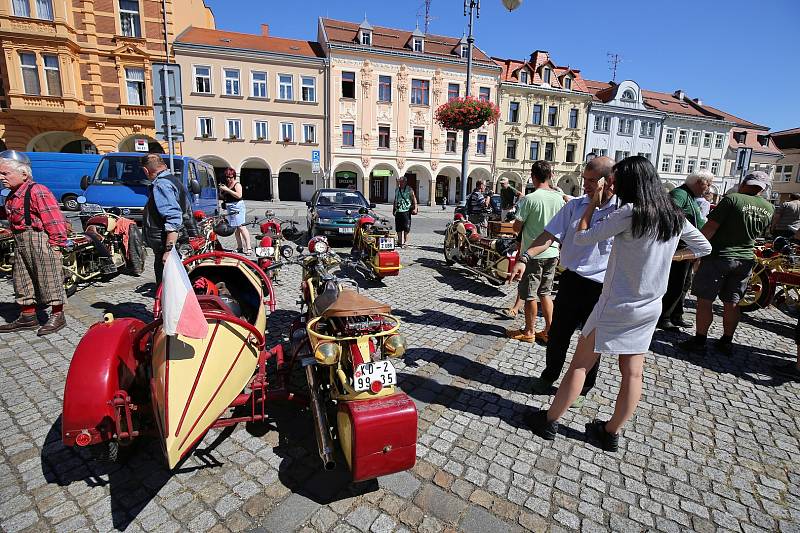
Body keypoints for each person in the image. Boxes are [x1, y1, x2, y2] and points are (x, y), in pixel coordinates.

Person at [525, 156, 711, 451]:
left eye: (616, 180)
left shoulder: (630, 213)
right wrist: (668, 257)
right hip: (650, 306)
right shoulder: (674, 215)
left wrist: (590, 204)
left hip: (616, 302)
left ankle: (549, 420)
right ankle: (611, 432)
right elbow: (704, 246)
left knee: (580, 366)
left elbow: (583, 236)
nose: (612, 184)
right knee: (633, 372)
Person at [508, 156, 615, 401]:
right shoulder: (575, 206)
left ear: (608, 181)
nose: (585, 185)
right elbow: (548, 235)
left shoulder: (622, 211)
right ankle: (549, 375)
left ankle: (584, 388)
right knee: (558, 335)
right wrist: (524, 257)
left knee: (590, 343)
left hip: (601, 288)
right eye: (584, 180)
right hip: (571, 281)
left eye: (591, 181)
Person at [680, 171, 774, 355]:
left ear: (745, 183)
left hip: (719, 256)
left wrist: (695, 251)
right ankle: (726, 341)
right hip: (745, 259)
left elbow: (710, 228)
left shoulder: (733, 199)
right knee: (732, 302)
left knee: (705, 300)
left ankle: (700, 341)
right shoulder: (769, 208)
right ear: (762, 189)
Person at [0, 150, 69, 335]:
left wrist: (56, 245)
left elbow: (54, 220)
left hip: (40, 239)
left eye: (5, 173)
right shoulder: (12, 194)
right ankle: (28, 316)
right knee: (22, 279)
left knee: (49, 277)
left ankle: (57, 315)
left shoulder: (38, 191)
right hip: (21, 240)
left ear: (24, 174)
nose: (1, 177)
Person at [505, 161, 565, 344]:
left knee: (530, 294)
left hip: (532, 254)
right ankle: (549, 330)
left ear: (533, 176)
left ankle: (529, 331)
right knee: (545, 293)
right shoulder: (560, 196)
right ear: (550, 175)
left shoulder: (530, 199)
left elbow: (516, 226)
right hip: (553, 251)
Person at [658, 170, 713, 331]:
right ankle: (664, 317)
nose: (709, 188)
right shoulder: (680, 194)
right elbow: (670, 215)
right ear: (698, 182)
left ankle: (676, 314)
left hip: (686, 247)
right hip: (679, 247)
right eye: (707, 183)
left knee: (684, 284)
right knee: (675, 283)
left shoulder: (690, 196)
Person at [141, 153, 198, 287]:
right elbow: (186, 210)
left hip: (165, 243)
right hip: (177, 240)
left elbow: (173, 218)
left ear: (146, 170)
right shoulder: (174, 179)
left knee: (167, 287)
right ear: (164, 165)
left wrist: (168, 251)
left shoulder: (161, 185)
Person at [219, 168, 251, 254]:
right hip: (230, 207)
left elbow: (239, 195)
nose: (229, 179)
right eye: (227, 177)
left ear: (234, 176)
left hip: (237, 207)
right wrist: (222, 192)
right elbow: (223, 197)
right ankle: (240, 247)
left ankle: (249, 248)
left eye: (231, 177)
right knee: (236, 228)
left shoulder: (237, 184)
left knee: (241, 227)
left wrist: (228, 190)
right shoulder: (226, 184)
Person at [393, 175, 418, 248]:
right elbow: (395, 200)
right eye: (399, 182)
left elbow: (414, 199)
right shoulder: (397, 189)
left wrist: (415, 208)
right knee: (398, 227)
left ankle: (406, 242)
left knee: (406, 227)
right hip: (398, 211)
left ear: (405, 182)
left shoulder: (409, 190)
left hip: (406, 211)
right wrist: (393, 209)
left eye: (402, 182)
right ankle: (400, 241)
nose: (400, 183)